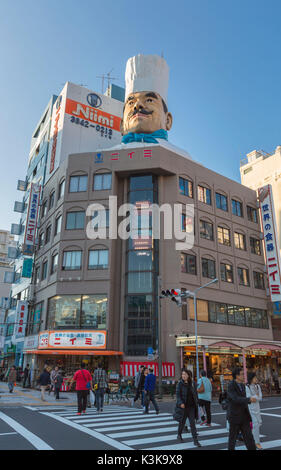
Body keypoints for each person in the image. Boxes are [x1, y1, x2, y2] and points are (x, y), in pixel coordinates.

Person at [120, 54, 173, 145]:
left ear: (167, 120)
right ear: (121, 125)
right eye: (131, 102)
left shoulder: (177, 156)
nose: (137, 105)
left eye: (149, 100)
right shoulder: (104, 156)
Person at [227, 367, 257, 450]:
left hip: (244, 416)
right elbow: (235, 399)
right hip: (234, 416)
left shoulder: (242, 385)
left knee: (249, 437)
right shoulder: (231, 385)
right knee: (232, 438)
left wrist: (248, 400)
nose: (244, 376)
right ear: (237, 376)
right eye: (242, 374)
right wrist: (249, 399)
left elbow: (241, 400)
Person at [173, 369, 201, 447]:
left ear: (189, 375)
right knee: (182, 422)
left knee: (192, 424)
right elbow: (178, 395)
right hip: (183, 407)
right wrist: (180, 402)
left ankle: (195, 441)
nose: (183, 376)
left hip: (191, 407)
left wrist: (198, 402)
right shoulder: (180, 384)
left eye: (185, 374)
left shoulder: (193, 384)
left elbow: (195, 394)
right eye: (182, 374)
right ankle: (179, 435)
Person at [246, 372, 263, 450]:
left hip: (257, 408)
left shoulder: (257, 386)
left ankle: (249, 438)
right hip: (250, 409)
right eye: (255, 377)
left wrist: (255, 397)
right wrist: (256, 396)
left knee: (259, 423)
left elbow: (260, 398)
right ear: (251, 378)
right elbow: (249, 398)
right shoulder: (247, 387)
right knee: (255, 424)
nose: (256, 379)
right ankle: (257, 442)